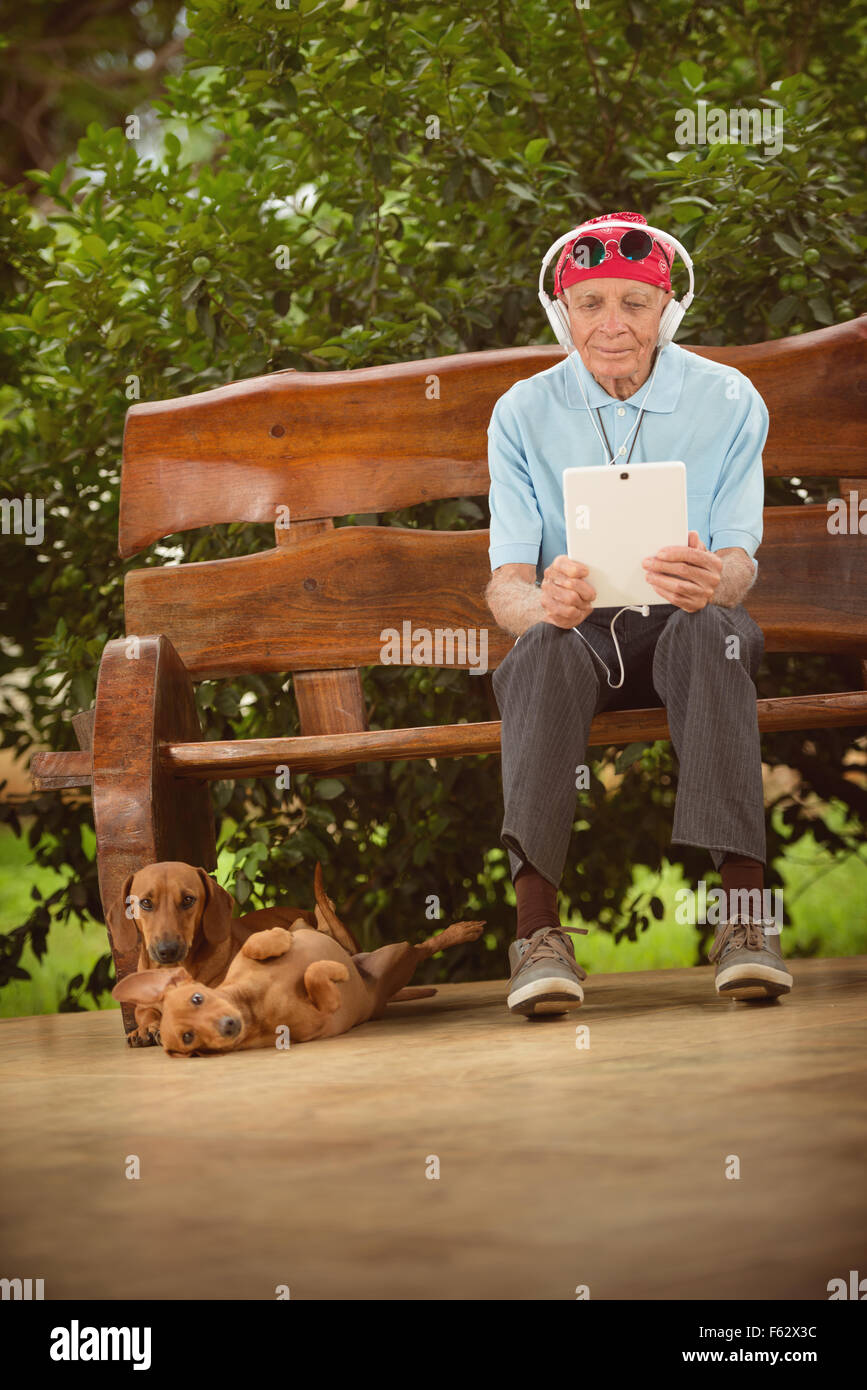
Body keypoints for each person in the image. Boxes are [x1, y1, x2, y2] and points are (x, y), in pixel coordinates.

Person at [485, 210, 792, 1018]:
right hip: (579, 637)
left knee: (710, 635)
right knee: (540, 650)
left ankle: (744, 923)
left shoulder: (727, 399)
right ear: (562, 315)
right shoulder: (520, 412)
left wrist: (712, 580)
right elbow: (504, 587)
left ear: (668, 313)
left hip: (685, 627)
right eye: (590, 305)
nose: (612, 325)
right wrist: (540, 604)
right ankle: (538, 937)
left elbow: (738, 560)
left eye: (633, 303)